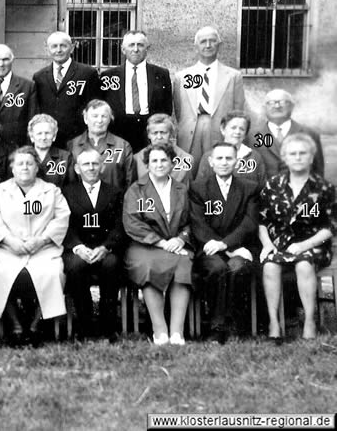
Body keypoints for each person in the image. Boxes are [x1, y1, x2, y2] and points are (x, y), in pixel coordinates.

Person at [0, 147, 70, 346]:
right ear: (12, 168)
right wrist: (8, 240)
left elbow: (61, 217)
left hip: (42, 249)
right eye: (19, 163)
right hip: (7, 249)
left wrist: (42, 240)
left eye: (29, 163)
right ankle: (15, 325)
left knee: (53, 273)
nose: (25, 167)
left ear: (36, 168)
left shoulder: (51, 190)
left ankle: (35, 324)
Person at [258, 133, 336, 342]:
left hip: (314, 245)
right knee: (269, 265)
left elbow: (331, 226)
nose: (298, 157)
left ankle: (310, 321)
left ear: (311, 157)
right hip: (281, 244)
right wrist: (266, 244)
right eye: (293, 153)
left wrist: (304, 245)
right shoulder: (273, 185)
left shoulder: (324, 188)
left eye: (303, 153)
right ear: (285, 158)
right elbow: (263, 221)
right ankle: (274, 323)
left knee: (303, 264)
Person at [189, 142, 260, 344]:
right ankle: (216, 327)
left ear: (236, 161)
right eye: (219, 158)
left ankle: (236, 325)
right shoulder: (198, 188)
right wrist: (222, 247)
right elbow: (198, 224)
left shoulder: (250, 188)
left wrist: (226, 245)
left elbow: (249, 222)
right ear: (211, 162)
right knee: (217, 268)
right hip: (209, 248)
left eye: (229, 158)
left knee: (237, 268)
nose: (224, 162)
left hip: (240, 247)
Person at [123, 143, 194, 345]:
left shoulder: (181, 189)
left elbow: (190, 221)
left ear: (172, 163)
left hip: (176, 244)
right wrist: (162, 243)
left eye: (164, 160)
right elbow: (133, 223)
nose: (159, 164)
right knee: (149, 266)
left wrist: (181, 238)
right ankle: (159, 329)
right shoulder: (136, 190)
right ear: (147, 164)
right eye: (154, 160)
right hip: (144, 246)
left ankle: (177, 331)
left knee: (184, 263)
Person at [61, 148, 125, 342]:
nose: (91, 168)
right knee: (75, 266)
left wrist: (106, 247)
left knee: (111, 265)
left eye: (95, 164)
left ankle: (108, 327)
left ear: (102, 167)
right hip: (78, 249)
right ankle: (84, 326)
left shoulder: (114, 192)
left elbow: (119, 226)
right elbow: (64, 224)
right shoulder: (66, 192)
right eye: (86, 164)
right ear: (77, 169)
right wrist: (77, 247)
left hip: (105, 249)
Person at [172, 26, 245, 175]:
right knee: (188, 173)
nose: (208, 45)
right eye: (203, 41)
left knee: (216, 172)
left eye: (212, 41)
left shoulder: (233, 76)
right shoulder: (183, 76)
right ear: (196, 46)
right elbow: (179, 110)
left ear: (219, 45)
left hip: (219, 130)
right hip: (190, 132)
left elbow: (238, 110)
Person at [100, 30, 173, 151]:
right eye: (131, 45)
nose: (135, 49)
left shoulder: (161, 74)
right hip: (119, 132)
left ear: (147, 49)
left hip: (150, 132)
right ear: (123, 50)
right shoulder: (109, 76)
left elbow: (167, 108)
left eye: (140, 45)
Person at [31, 31, 101, 148]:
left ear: (72, 48)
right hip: (49, 140)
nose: (59, 50)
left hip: (78, 139)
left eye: (63, 46)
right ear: (47, 49)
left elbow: (94, 106)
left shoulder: (87, 73)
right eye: (54, 46)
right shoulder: (39, 76)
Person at [252, 89, 325, 177]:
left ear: (292, 106)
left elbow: (318, 172)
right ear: (264, 108)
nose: (277, 106)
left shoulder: (310, 134)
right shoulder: (251, 136)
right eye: (271, 102)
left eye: (283, 102)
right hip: (263, 190)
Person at [67, 99, 136, 191]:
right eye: (95, 116)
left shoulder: (122, 146)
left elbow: (131, 182)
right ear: (86, 119)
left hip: (115, 202)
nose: (99, 120)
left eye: (104, 116)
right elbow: (69, 181)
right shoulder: (73, 145)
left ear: (109, 120)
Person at [195, 111, 266, 185]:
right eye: (233, 128)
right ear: (223, 129)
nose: (237, 132)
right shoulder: (209, 157)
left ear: (245, 134)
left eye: (242, 129)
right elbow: (200, 187)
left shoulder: (254, 157)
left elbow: (261, 186)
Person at [134, 114, 195, 187]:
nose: (159, 137)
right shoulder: (137, 158)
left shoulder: (186, 159)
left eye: (163, 132)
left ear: (171, 134)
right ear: (149, 135)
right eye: (155, 133)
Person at [28, 114, 75, 188]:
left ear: (54, 136)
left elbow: (72, 187)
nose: (43, 137)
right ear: (31, 137)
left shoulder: (66, 157)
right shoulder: (23, 157)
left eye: (47, 133)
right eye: (39, 133)